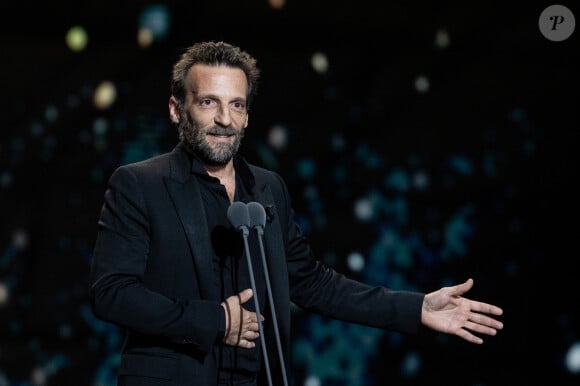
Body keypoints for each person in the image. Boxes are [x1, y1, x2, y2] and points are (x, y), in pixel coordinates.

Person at [88, 41, 504, 386]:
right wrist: (213, 320)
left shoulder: (268, 189)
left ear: (248, 115)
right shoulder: (139, 184)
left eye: (236, 105)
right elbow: (112, 294)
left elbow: (312, 283)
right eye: (208, 102)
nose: (223, 119)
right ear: (178, 109)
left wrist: (415, 308)